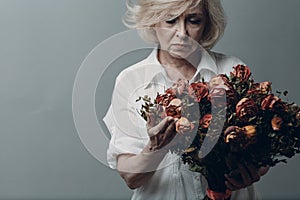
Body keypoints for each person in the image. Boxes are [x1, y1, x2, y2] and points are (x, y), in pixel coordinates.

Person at [103, 0, 269, 199]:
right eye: (170, 20)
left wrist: (251, 173)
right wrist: (156, 148)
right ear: (153, 22)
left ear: (207, 23)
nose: (182, 33)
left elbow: (261, 151)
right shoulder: (130, 81)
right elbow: (131, 177)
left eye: (193, 21)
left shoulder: (232, 70)